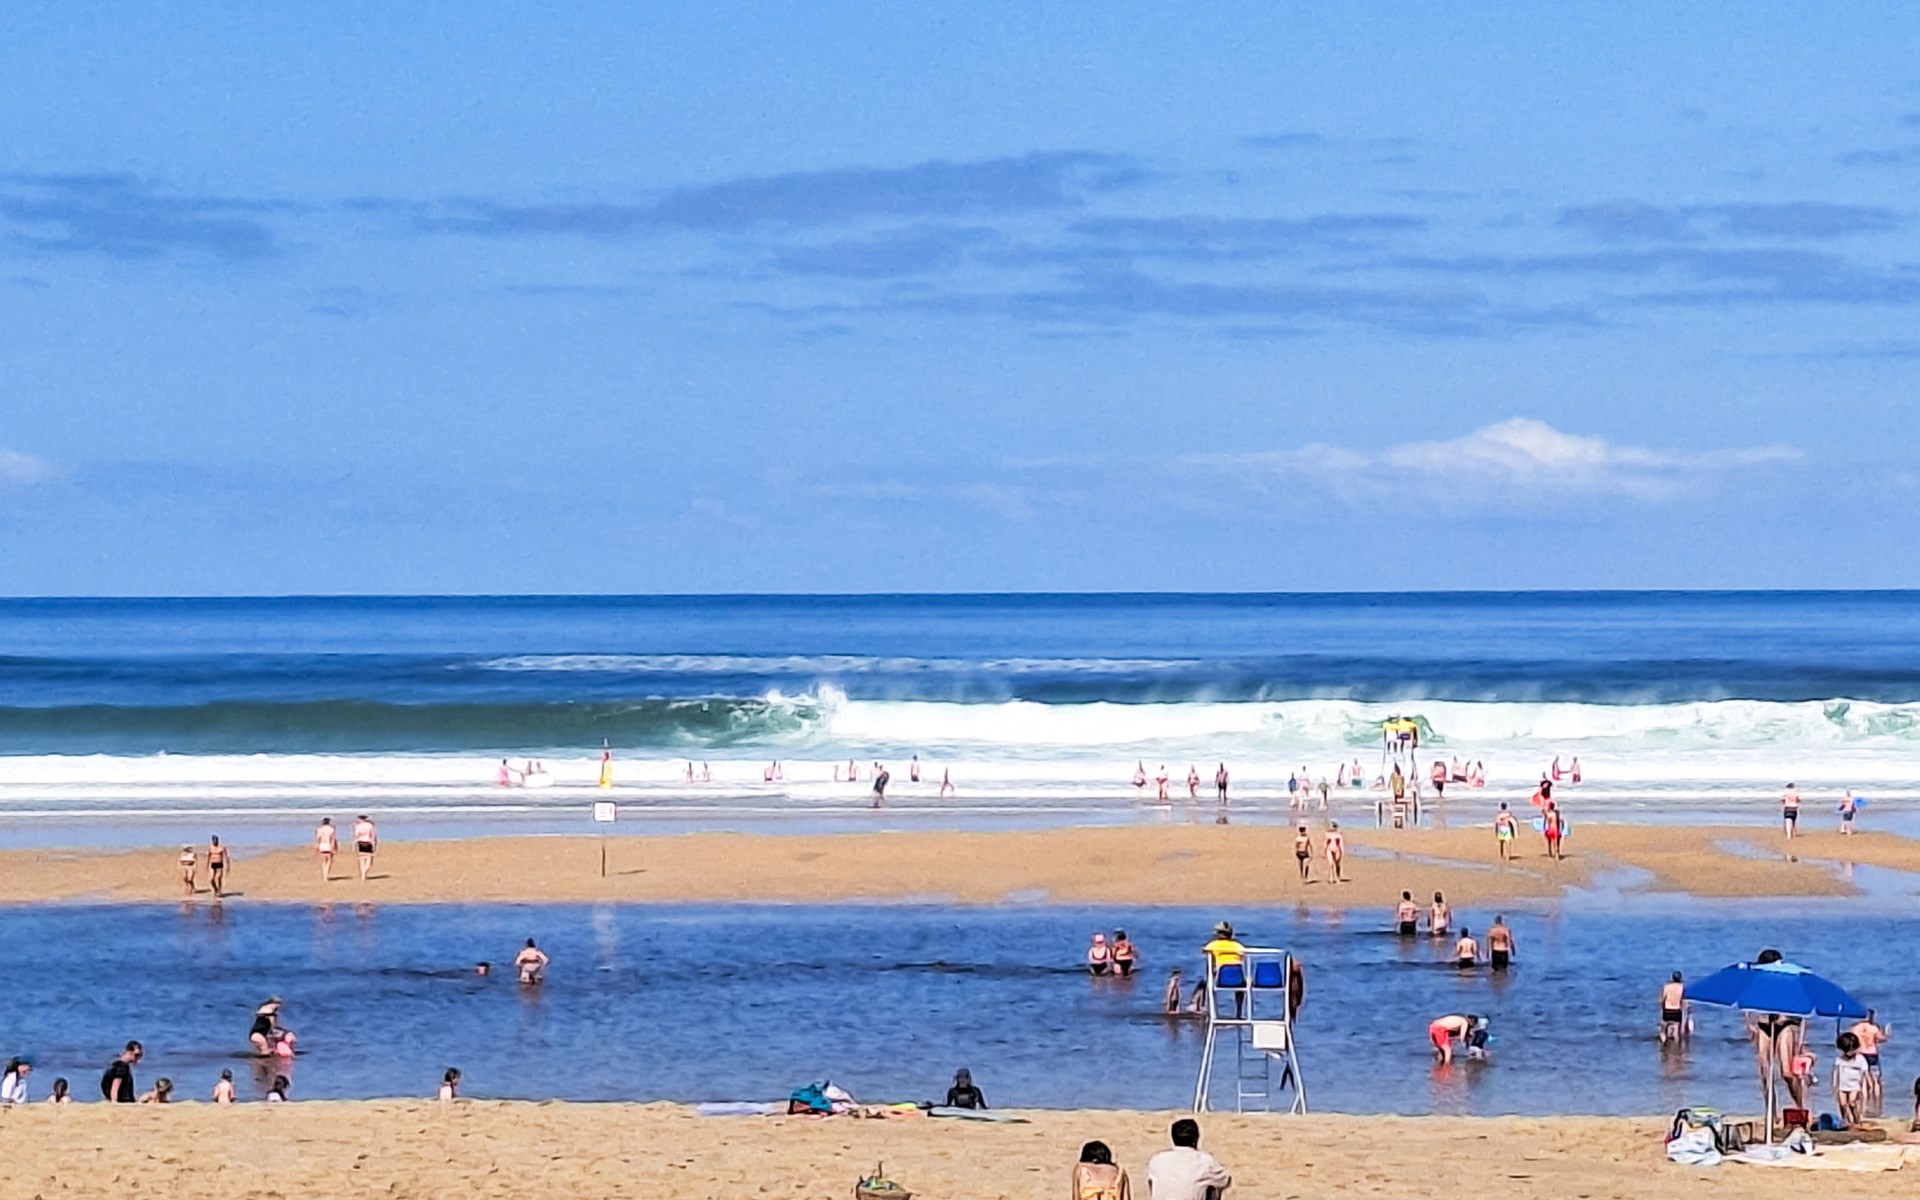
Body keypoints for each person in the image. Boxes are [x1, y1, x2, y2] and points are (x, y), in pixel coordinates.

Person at [1145, 1117, 1231, 1200]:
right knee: (1213, 1186)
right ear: (1196, 1139)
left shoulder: (1157, 1160)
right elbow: (1226, 1181)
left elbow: (1151, 1185)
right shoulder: (1206, 1161)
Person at [1850, 1009, 1889, 1106]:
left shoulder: (1855, 1028)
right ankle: (1877, 1101)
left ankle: (1865, 1101)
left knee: (1863, 1079)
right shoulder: (1874, 1028)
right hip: (1872, 1053)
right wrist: (1887, 1034)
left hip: (1860, 1053)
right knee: (1876, 1079)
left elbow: (1850, 1040)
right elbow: (1881, 1039)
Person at [1833, 1032, 1868, 1128]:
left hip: (1854, 1086)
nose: (1850, 1053)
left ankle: (1857, 1120)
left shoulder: (1860, 1059)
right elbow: (1836, 1073)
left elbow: (1864, 1075)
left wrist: (1864, 1090)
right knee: (1842, 1104)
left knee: (1852, 1103)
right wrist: (1835, 1086)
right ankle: (1845, 1120)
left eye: (1853, 1050)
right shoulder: (1840, 1060)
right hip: (1842, 1085)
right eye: (1848, 1051)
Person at [1659, 972, 1691, 1044]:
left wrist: (1662, 1007)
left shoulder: (1667, 987)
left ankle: (1663, 1046)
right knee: (1676, 1033)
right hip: (1677, 1010)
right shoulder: (1682, 987)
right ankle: (1677, 1047)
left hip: (1667, 1010)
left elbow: (1662, 999)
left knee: (1663, 1030)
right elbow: (1684, 1000)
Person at [353, 814, 378, 880]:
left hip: (360, 842)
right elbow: (373, 836)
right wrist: (374, 845)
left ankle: (363, 874)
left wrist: (355, 844)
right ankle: (364, 872)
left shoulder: (358, 826)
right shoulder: (370, 825)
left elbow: (356, 835)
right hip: (368, 842)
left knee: (362, 859)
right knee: (369, 859)